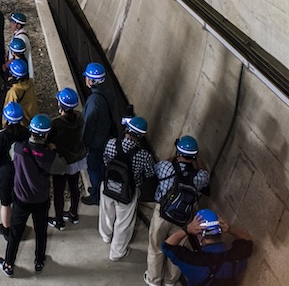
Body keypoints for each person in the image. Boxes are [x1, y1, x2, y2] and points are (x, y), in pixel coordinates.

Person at [145, 135, 212, 286]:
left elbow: (158, 168)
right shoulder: (199, 177)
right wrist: (196, 157)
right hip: (183, 221)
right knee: (177, 251)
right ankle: (170, 281)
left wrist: (175, 155)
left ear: (178, 152)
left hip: (162, 215)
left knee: (156, 247)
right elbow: (206, 174)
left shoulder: (166, 167)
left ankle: (154, 280)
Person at [0, 114, 56, 277]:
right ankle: (39, 261)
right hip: (41, 200)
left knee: (15, 233)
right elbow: (60, 168)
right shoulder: (49, 156)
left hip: (21, 200)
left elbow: (10, 157)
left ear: (31, 131)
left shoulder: (17, 148)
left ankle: (8, 264)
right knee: (41, 231)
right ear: (46, 134)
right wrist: (52, 150)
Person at [99, 116, 154, 261]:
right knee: (124, 223)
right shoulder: (144, 156)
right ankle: (116, 253)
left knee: (106, 212)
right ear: (141, 136)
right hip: (127, 193)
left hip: (108, 186)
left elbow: (105, 161)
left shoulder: (111, 143)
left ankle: (105, 236)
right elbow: (149, 174)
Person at [162, 210, 253, 286]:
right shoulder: (234, 258)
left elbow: (167, 246)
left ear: (200, 235)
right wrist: (230, 229)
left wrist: (188, 229)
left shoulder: (193, 262)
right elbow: (248, 241)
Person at [0, 101, 30, 238]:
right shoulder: (27, 133)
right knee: (19, 202)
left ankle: (6, 229)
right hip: (22, 174)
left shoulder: (1, 136)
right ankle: (19, 227)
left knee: (6, 203)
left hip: (5, 175)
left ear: (6, 118)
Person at [48, 87, 87, 230]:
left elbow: (49, 140)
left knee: (58, 191)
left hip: (62, 162)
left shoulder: (56, 123)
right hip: (77, 160)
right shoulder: (80, 117)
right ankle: (73, 214)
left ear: (61, 105)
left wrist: (53, 146)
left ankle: (59, 221)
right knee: (74, 187)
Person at [80, 63, 115, 205]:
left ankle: (95, 195)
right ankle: (99, 190)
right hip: (106, 137)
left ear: (90, 81)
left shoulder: (94, 101)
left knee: (94, 169)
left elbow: (88, 126)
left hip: (96, 143)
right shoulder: (108, 93)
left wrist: (84, 144)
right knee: (102, 167)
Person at [2, 58, 37, 125]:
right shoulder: (30, 84)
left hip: (21, 123)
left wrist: (4, 125)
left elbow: (10, 109)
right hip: (31, 120)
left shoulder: (14, 91)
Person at [6, 12, 33, 79]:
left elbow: (17, 55)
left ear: (18, 25)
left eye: (12, 23)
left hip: (18, 68)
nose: (10, 25)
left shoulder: (20, 38)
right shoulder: (19, 34)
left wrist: (7, 64)